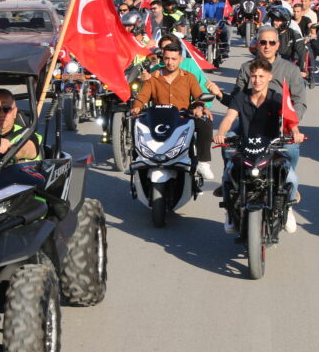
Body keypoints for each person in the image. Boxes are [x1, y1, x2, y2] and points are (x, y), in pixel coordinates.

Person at [214, 58, 305, 234]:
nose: (257, 80)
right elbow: (229, 118)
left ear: (269, 77)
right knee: (228, 175)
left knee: (291, 178)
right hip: (246, 144)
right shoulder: (241, 97)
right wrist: (221, 134)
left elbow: (289, 118)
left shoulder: (275, 97)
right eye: (254, 76)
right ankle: (229, 211)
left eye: (261, 76)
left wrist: (295, 133)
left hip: (271, 145)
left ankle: (288, 208)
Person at [130, 43, 216, 179]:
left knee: (205, 122)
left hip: (182, 119)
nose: (170, 62)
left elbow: (199, 98)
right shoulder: (153, 78)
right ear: (162, 59)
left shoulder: (189, 77)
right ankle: (137, 158)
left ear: (180, 59)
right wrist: (137, 107)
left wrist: (200, 107)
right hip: (157, 119)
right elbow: (142, 97)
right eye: (167, 58)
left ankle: (203, 163)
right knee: (136, 122)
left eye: (174, 59)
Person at [230, 26, 307, 168]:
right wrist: (218, 95)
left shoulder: (290, 69)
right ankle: (230, 180)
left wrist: (289, 124)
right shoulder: (246, 68)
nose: (267, 46)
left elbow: (299, 101)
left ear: (277, 45)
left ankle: (289, 182)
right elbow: (236, 99)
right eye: (263, 42)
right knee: (227, 146)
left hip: (279, 125)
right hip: (249, 123)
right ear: (257, 44)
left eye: (271, 43)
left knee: (290, 151)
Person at [147, 33, 224, 108]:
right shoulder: (156, 68)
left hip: (187, 110)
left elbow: (203, 89)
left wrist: (202, 108)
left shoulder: (190, 64)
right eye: (163, 48)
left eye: (170, 47)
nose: (167, 50)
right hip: (160, 111)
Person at [266, 7, 310, 78]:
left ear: (285, 21)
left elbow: (302, 52)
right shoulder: (267, 33)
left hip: (288, 68)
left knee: (300, 84)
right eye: (273, 19)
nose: (274, 22)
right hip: (268, 68)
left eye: (277, 20)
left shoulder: (294, 34)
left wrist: (302, 70)